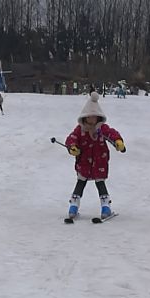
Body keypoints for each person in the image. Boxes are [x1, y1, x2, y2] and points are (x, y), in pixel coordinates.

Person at [64, 91, 126, 220]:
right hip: (84, 162)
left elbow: (111, 133)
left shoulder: (102, 128)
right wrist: (72, 147)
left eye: (94, 116)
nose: (91, 119)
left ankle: (105, 206)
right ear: (84, 117)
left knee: (100, 183)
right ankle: (73, 205)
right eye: (89, 117)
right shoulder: (80, 129)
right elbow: (72, 138)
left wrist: (118, 142)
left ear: (98, 117)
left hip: (99, 161)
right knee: (80, 182)